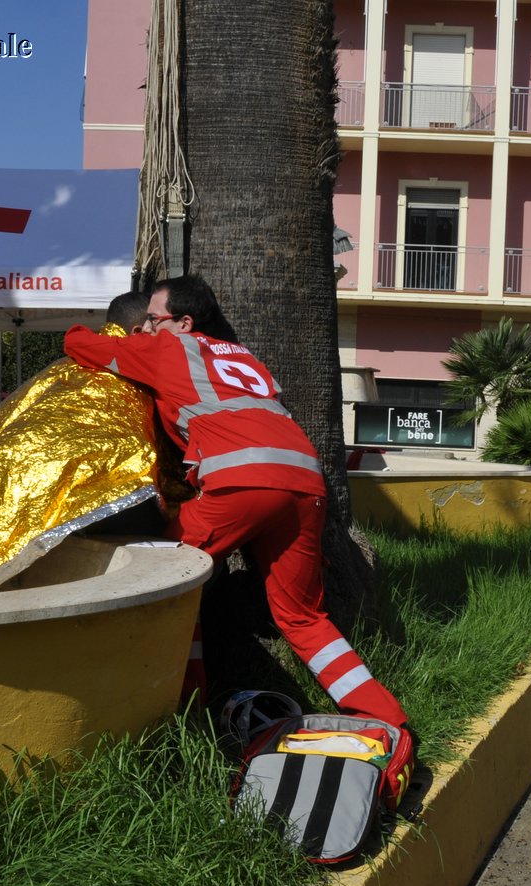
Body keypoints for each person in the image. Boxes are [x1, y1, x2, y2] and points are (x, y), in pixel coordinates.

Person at [63, 275, 407, 729]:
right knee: (303, 618)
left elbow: (78, 345)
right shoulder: (246, 357)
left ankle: (189, 709)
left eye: (153, 319)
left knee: (171, 583)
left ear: (183, 323)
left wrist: (104, 333)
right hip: (305, 483)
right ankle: (385, 718)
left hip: (240, 482)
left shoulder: (169, 348)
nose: (146, 327)